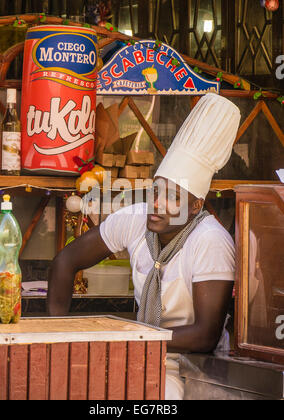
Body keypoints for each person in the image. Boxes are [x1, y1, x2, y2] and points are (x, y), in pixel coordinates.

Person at [47, 93, 241, 400]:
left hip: (196, 368)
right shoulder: (135, 219)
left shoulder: (210, 241)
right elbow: (64, 262)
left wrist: (131, 337)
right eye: (156, 190)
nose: (158, 203)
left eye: (173, 197)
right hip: (142, 355)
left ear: (194, 206)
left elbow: (205, 336)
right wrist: (57, 342)